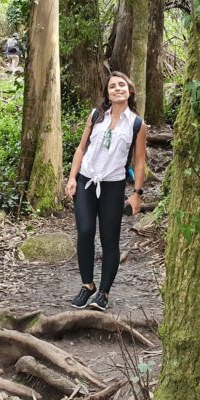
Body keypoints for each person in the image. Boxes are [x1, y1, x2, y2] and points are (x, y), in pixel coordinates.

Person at [64, 71, 148, 311]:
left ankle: (104, 292)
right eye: (112, 86)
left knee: (110, 239)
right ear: (107, 93)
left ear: (130, 91)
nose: (117, 89)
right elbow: (81, 149)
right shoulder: (96, 115)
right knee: (85, 231)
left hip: (113, 185)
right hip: (86, 181)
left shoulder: (136, 124)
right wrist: (72, 178)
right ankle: (87, 285)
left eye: (122, 85)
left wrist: (137, 193)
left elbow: (139, 161)